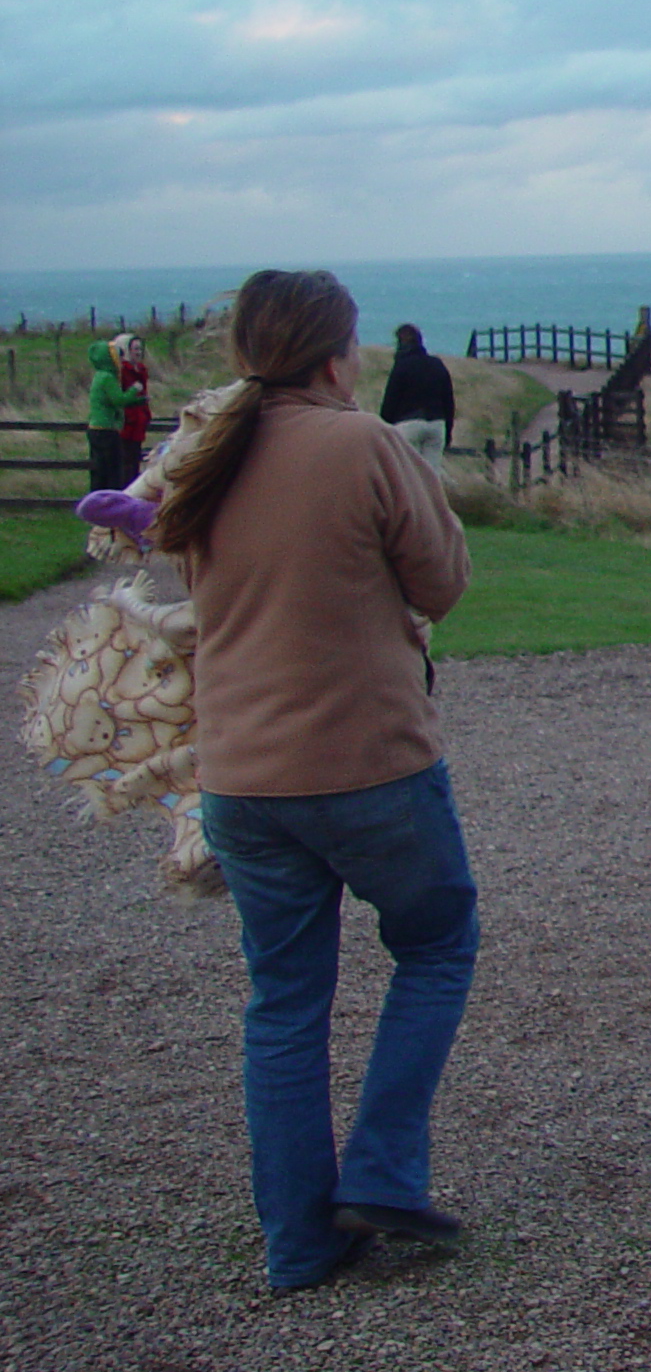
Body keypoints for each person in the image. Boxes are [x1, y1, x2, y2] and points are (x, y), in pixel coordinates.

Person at [153, 270, 477, 1289]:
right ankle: (381, 1168)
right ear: (337, 355)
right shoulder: (359, 443)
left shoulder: (205, 453)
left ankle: (297, 1241)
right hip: (366, 761)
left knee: (284, 1002)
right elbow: (444, 583)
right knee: (436, 941)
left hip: (242, 777)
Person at [379, 323, 457, 454]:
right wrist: (448, 432)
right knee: (432, 472)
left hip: (408, 424)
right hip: (436, 424)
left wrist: (384, 431)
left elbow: (390, 401)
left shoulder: (402, 366)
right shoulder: (437, 364)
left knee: (408, 471)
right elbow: (448, 401)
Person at [85, 338, 146, 493]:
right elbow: (119, 400)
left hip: (96, 429)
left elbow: (111, 401)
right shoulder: (108, 378)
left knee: (99, 470)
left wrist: (138, 402)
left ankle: (96, 503)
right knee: (113, 472)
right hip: (107, 430)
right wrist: (135, 390)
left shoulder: (99, 376)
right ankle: (112, 503)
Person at [115, 333, 153, 485]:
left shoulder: (140, 370)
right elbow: (120, 398)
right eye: (135, 349)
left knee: (134, 460)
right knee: (125, 461)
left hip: (138, 422)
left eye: (140, 349)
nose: (138, 352)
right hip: (126, 423)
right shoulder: (121, 371)